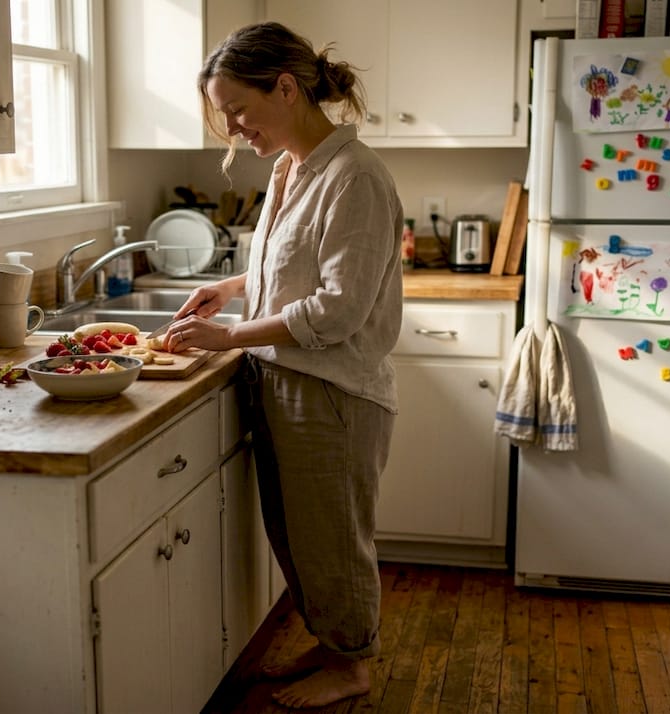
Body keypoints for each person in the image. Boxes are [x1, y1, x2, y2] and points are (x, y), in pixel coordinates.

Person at [159, 21, 404, 709]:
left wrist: (230, 334)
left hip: (334, 392)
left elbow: (336, 312)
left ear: (287, 88)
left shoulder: (355, 178)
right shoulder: (292, 166)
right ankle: (333, 644)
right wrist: (232, 285)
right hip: (287, 377)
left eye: (237, 108)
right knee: (297, 538)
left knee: (333, 541)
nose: (233, 128)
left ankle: (353, 665)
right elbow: (292, 263)